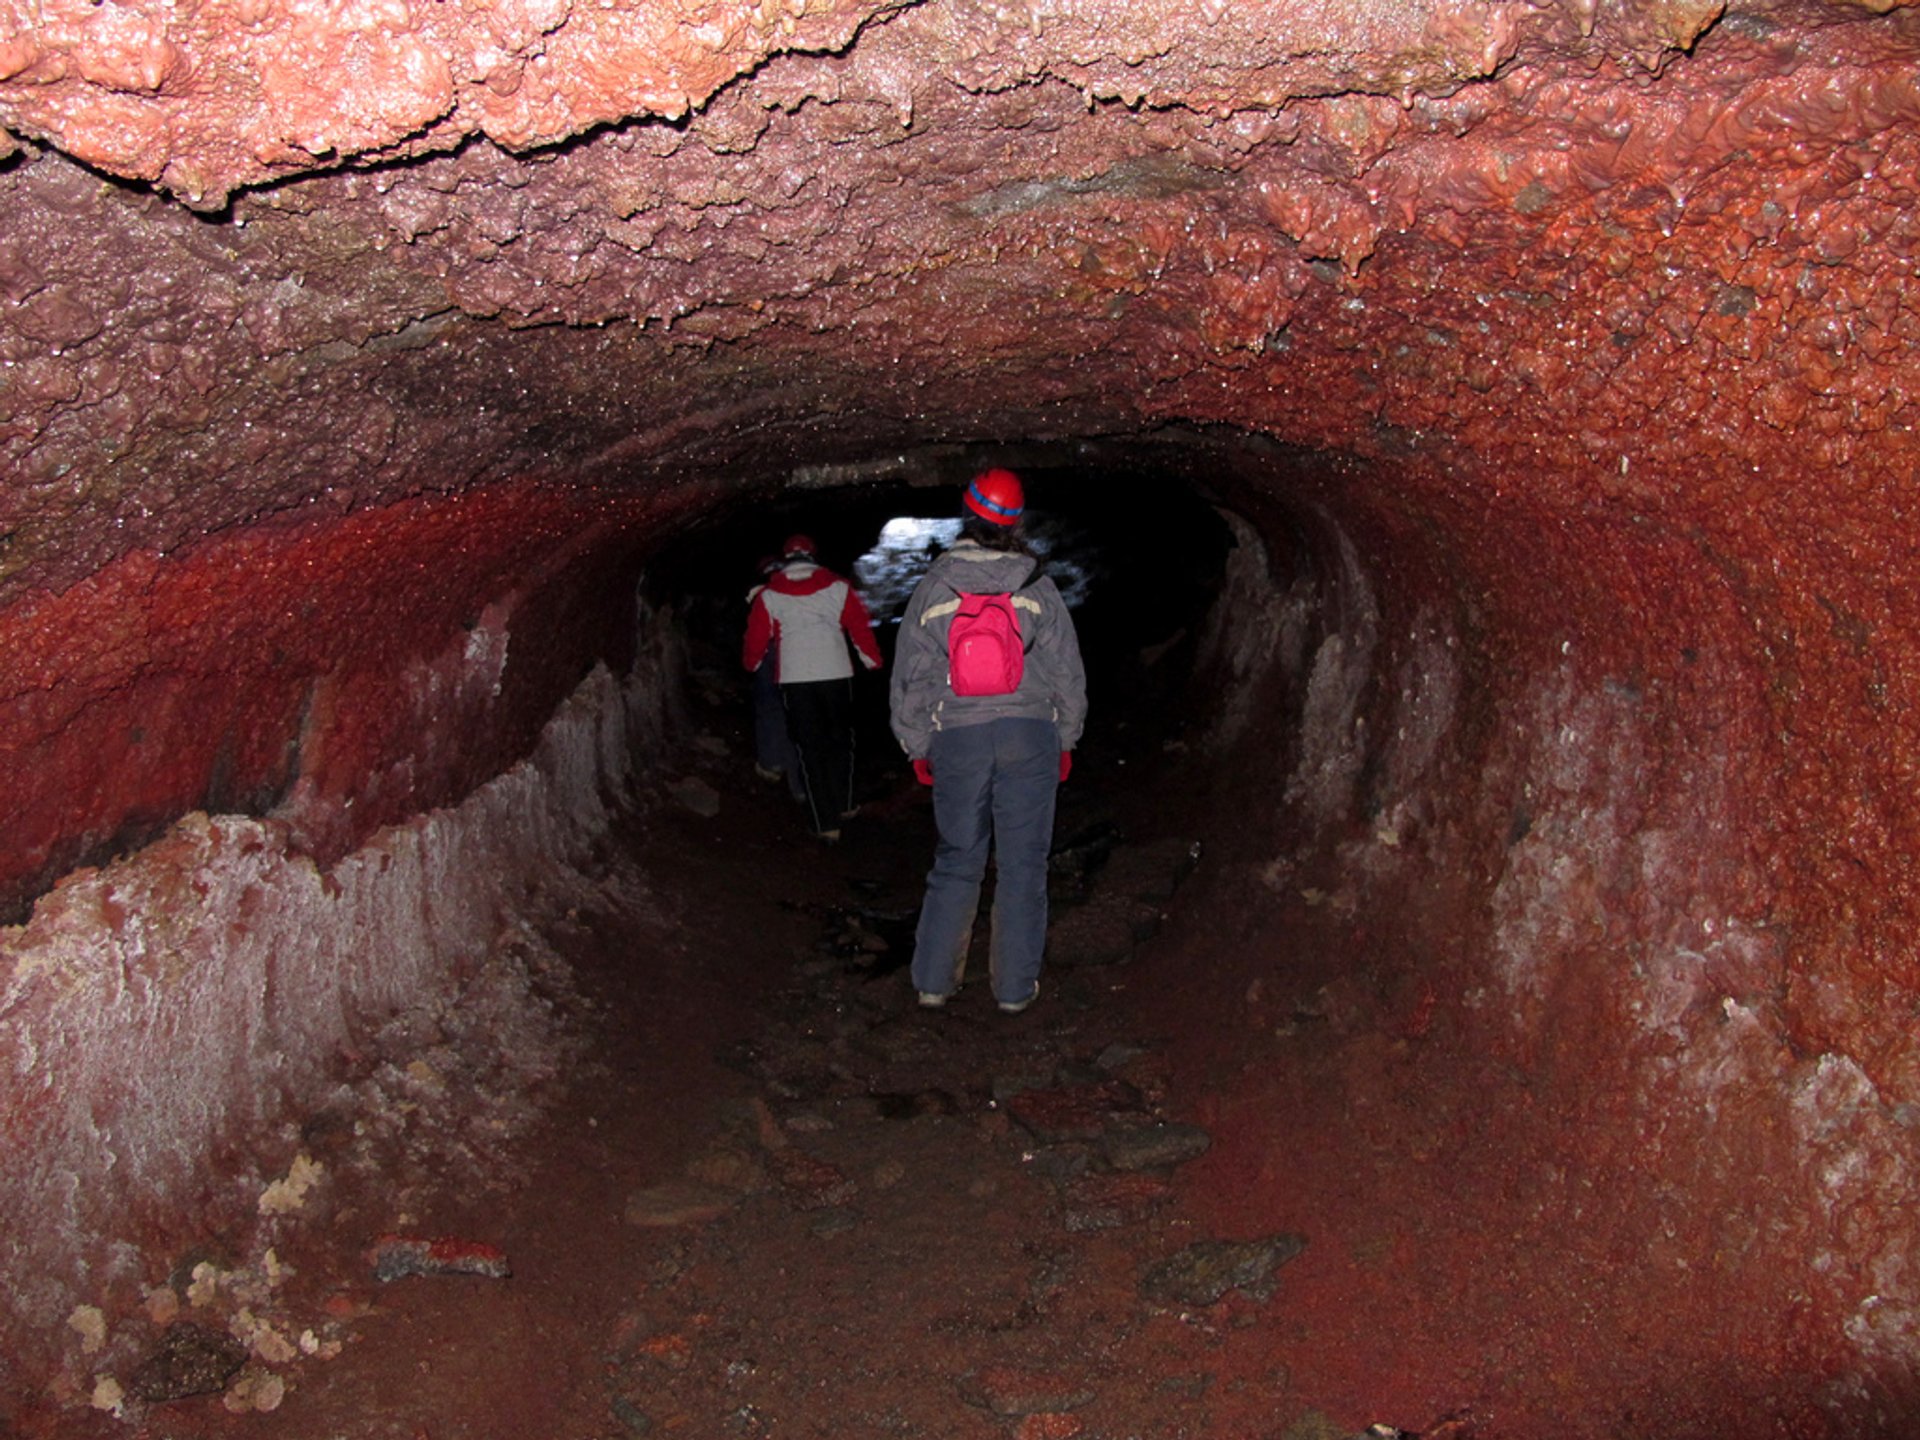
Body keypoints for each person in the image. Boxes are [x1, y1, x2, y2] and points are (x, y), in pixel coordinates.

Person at [888, 469, 1087, 1013]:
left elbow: (910, 678)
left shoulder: (935, 587)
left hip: (959, 736)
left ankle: (934, 982)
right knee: (1024, 863)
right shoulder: (1035, 585)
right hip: (1030, 735)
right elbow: (1067, 671)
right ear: (1015, 521)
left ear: (967, 514)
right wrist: (1065, 737)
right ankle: (1015, 990)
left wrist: (918, 746)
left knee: (957, 857)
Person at [742, 534, 884, 840]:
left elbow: (757, 636)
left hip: (795, 678)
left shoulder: (770, 594)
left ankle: (825, 823)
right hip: (835, 673)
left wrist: (751, 664)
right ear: (813, 555)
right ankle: (845, 802)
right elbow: (859, 624)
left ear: (787, 557)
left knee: (810, 749)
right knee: (840, 741)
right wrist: (871, 659)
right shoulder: (837, 586)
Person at [746, 554, 803, 800]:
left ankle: (772, 763)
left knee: (771, 709)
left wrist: (751, 661)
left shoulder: (761, 594)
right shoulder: (799, 592)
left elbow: (757, 631)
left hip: (770, 654)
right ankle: (802, 780)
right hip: (795, 654)